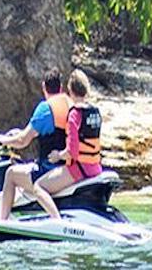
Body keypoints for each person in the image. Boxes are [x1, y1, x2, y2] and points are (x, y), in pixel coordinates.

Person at [28, 68, 104, 220]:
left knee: (39, 187)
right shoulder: (95, 111)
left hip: (79, 169)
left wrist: (58, 156)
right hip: (95, 167)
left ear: (70, 89)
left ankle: (57, 221)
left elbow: (72, 152)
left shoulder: (74, 115)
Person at [0, 69, 70, 220]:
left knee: (11, 174)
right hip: (67, 169)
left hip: (49, 169)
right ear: (61, 88)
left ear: (44, 87)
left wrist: (4, 140)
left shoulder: (45, 110)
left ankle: (2, 222)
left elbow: (22, 140)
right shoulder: (70, 105)